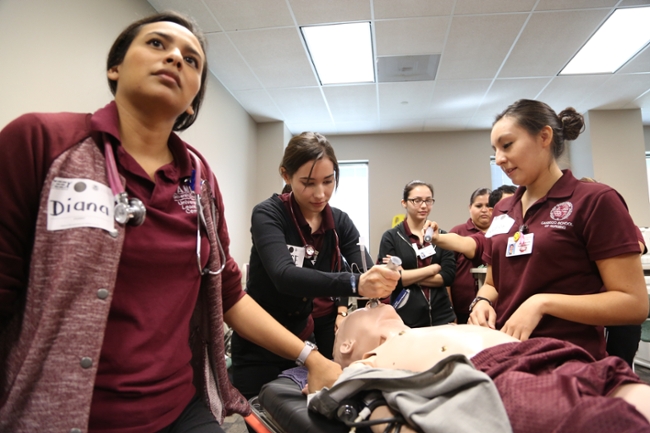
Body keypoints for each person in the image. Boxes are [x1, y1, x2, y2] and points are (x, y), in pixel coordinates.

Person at [0, 13, 342, 433]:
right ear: (116, 66)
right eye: (158, 44)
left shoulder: (198, 180)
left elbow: (228, 293)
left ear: (194, 97)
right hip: (63, 413)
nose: (176, 59)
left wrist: (312, 358)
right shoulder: (43, 142)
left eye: (192, 60)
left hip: (179, 410)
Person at [468, 99, 648, 359]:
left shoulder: (594, 200)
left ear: (544, 136)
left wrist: (542, 303)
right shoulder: (503, 210)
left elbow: (633, 304)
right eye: (495, 149)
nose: (499, 159)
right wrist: (482, 300)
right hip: (506, 353)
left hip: (568, 360)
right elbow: (493, 284)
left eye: (507, 145)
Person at [231, 132, 399, 402]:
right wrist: (355, 283)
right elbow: (284, 276)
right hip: (258, 345)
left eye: (328, 181)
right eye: (308, 183)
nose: (320, 194)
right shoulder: (268, 214)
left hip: (302, 342)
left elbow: (363, 267)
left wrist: (381, 281)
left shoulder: (339, 223)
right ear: (286, 175)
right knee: (261, 417)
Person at [321, 304, 650, 433]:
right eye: (365, 308)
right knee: (605, 423)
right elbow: (343, 392)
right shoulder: (369, 362)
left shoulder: (417, 330)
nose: (373, 303)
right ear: (349, 344)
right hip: (500, 377)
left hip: (545, 351)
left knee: (633, 392)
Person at [377, 180, 456, 327]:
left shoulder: (442, 237)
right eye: (417, 200)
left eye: (428, 200)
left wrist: (407, 275)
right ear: (404, 203)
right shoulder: (391, 237)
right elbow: (392, 279)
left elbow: (448, 277)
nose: (424, 205)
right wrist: (431, 270)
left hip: (441, 317)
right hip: (404, 319)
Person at [448, 188, 491, 324]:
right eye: (478, 206)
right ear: (470, 208)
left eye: (489, 206)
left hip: (495, 309)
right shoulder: (457, 233)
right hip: (462, 311)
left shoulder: (504, 233)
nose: (484, 210)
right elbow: (446, 276)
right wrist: (450, 311)